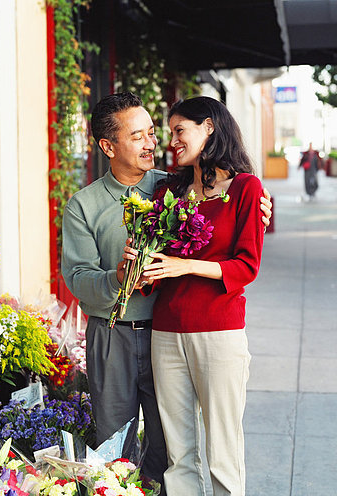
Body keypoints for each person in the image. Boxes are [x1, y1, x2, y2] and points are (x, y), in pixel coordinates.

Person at [61, 92, 272, 494]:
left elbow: (229, 211)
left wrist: (259, 207)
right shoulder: (84, 205)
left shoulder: (171, 187)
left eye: (154, 133)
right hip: (119, 333)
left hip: (174, 327)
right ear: (109, 146)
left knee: (173, 446)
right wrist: (118, 278)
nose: (154, 143)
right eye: (138, 135)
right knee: (118, 440)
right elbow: (78, 277)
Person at [135, 96, 265, 496]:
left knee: (223, 450)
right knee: (179, 452)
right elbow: (155, 267)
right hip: (167, 332)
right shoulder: (169, 189)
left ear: (208, 126)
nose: (171, 141)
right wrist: (140, 264)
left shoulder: (245, 188)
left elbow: (247, 266)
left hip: (218, 332)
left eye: (179, 131)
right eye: (169, 132)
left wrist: (185, 265)